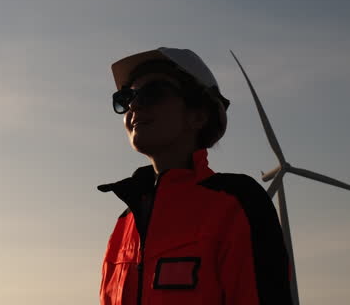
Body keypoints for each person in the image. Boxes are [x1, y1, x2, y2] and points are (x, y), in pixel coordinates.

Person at [97, 47, 292, 305]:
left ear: (198, 115)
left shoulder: (237, 204)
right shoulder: (126, 220)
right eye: (125, 98)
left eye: (152, 94)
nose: (133, 105)